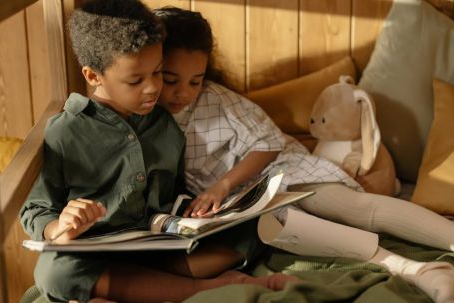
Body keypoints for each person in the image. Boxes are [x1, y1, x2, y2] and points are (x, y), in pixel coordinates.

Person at [153, 6, 454, 303]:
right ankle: (421, 272)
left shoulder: (216, 99)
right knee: (300, 232)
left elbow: (267, 143)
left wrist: (221, 186)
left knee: (354, 210)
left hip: (285, 170)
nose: (183, 92)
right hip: (249, 208)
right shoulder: (145, 116)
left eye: (195, 81)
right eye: (170, 80)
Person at [19, 1, 296, 302]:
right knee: (54, 272)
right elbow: (35, 209)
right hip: (96, 254)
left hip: (160, 247)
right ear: (93, 76)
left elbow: (174, 191)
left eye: (158, 72)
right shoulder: (65, 132)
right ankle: (202, 288)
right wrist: (61, 226)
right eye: (136, 80)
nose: (152, 88)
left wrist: (198, 217)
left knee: (257, 228)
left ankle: (138, 288)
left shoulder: (165, 126)